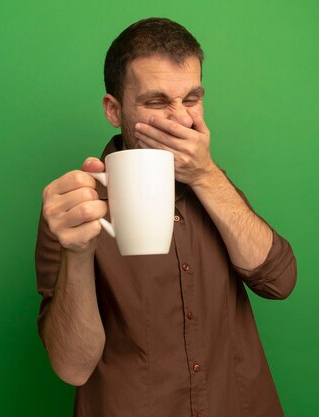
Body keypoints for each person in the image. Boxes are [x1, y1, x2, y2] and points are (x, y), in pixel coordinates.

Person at [36, 17, 297, 417]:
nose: (179, 119)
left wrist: (206, 175)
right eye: (157, 102)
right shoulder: (74, 210)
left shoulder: (215, 184)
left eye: (191, 99)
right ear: (113, 109)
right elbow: (73, 366)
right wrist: (78, 253)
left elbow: (280, 281)